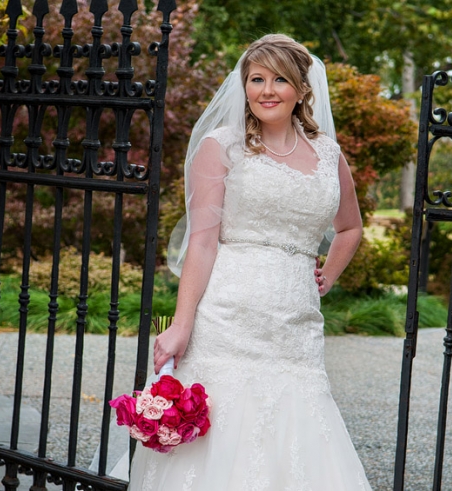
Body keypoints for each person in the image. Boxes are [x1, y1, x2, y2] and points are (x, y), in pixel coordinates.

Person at [128, 34, 370, 490]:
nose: (267, 90)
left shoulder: (329, 156)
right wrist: (181, 325)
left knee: (299, 426)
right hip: (227, 316)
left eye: (280, 79)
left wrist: (327, 277)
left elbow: (350, 227)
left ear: (301, 88)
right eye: (256, 79)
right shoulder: (221, 147)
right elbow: (201, 243)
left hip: (297, 323)